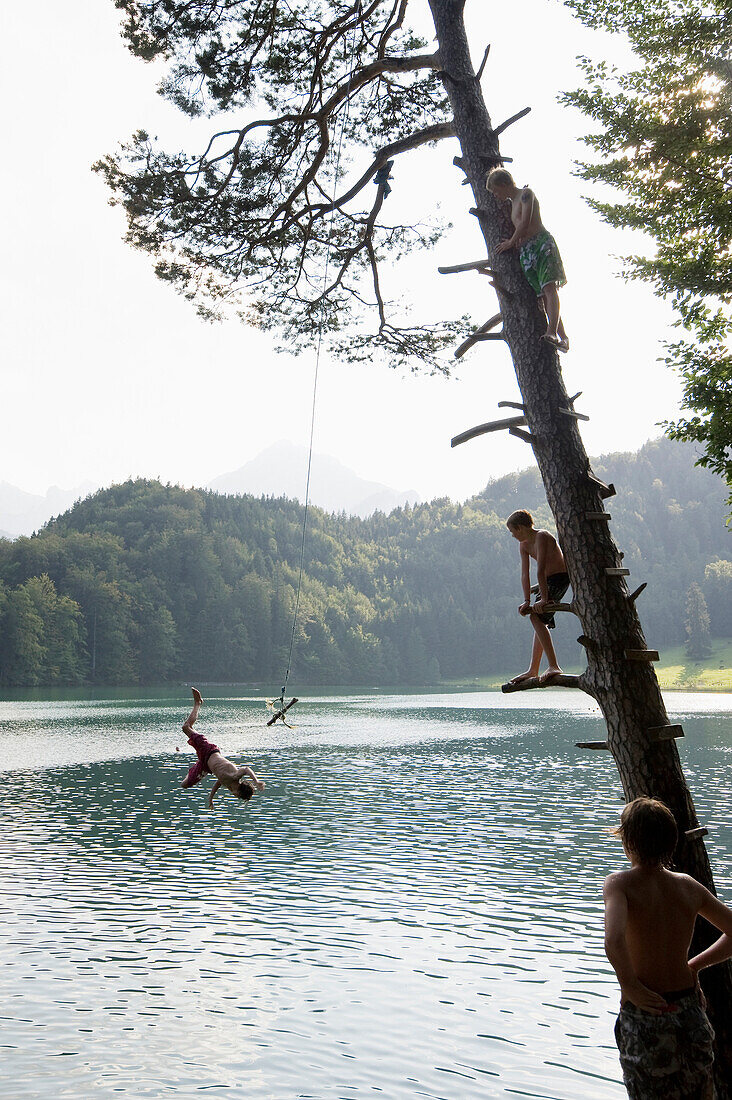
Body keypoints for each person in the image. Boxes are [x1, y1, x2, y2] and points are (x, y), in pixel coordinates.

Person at [604, 797, 732, 1100]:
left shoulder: (619, 884)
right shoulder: (687, 885)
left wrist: (629, 985)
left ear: (628, 842)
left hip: (647, 1012)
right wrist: (694, 966)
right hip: (690, 1013)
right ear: (671, 842)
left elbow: (613, 939)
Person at [485, 167, 569, 352]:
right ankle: (563, 338)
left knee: (549, 288)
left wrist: (511, 242)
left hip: (541, 243)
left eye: (496, 191)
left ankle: (552, 332)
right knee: (543, 295)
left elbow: (525, 222)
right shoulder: (512, 204)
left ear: (505, 183)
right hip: (528, 251)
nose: (496, 196)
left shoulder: (526, 194)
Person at [506, 509, 569, 685]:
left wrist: (543, 599)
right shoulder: (523, 545)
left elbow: (540, 569)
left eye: (512, 531)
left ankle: (554, 666)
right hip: (546, 582)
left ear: (520, 528)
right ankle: (533, 670)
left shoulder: (542, 536)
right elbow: (524, 575)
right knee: (538, 620)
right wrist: (526, 601)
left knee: (536, 616)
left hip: (559, 578)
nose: (512, 536)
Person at [180, 687, 265, 807]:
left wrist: (211, 798)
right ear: (239, 790)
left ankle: (195, 766)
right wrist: (256, 781)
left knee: (184, 784)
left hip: (205, 764)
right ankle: (198, 703)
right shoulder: (234, 776)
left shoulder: (228, 783)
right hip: (208, 750)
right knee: (186, 727)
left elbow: (218, 783)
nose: (235, 796)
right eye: (238, 795)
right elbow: (246, 769)